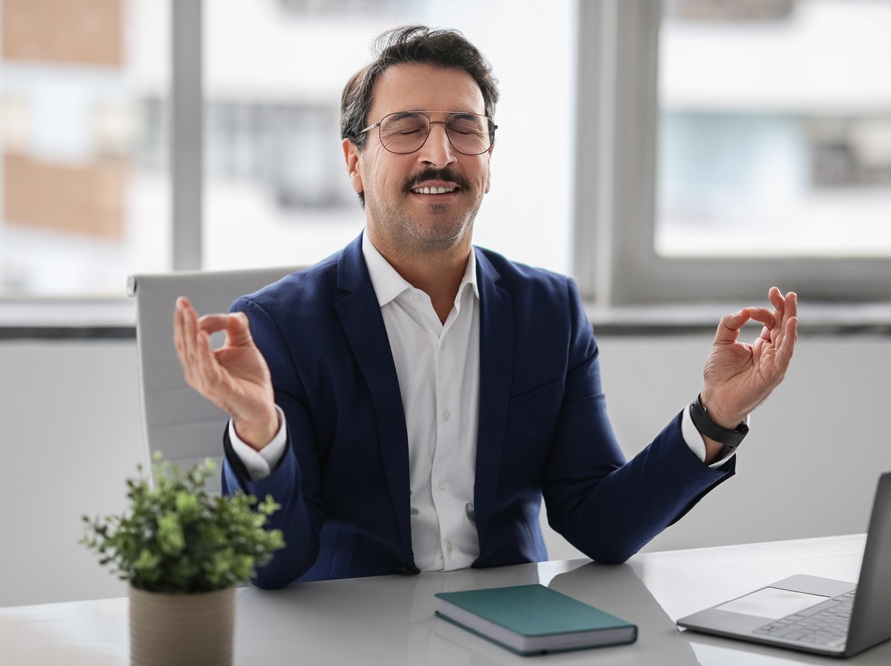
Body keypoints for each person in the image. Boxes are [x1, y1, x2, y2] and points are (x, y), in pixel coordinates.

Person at [173, 25, 798, 590]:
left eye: (464, 128)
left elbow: (601, 525)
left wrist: (716, 416)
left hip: (512, 633)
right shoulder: (281, 326)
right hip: (356, 636)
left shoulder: (549, 310)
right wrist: (259, 431)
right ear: (354, 162)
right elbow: (275, 565)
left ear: (489, 159)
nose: (440, 155)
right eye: (406, 128)